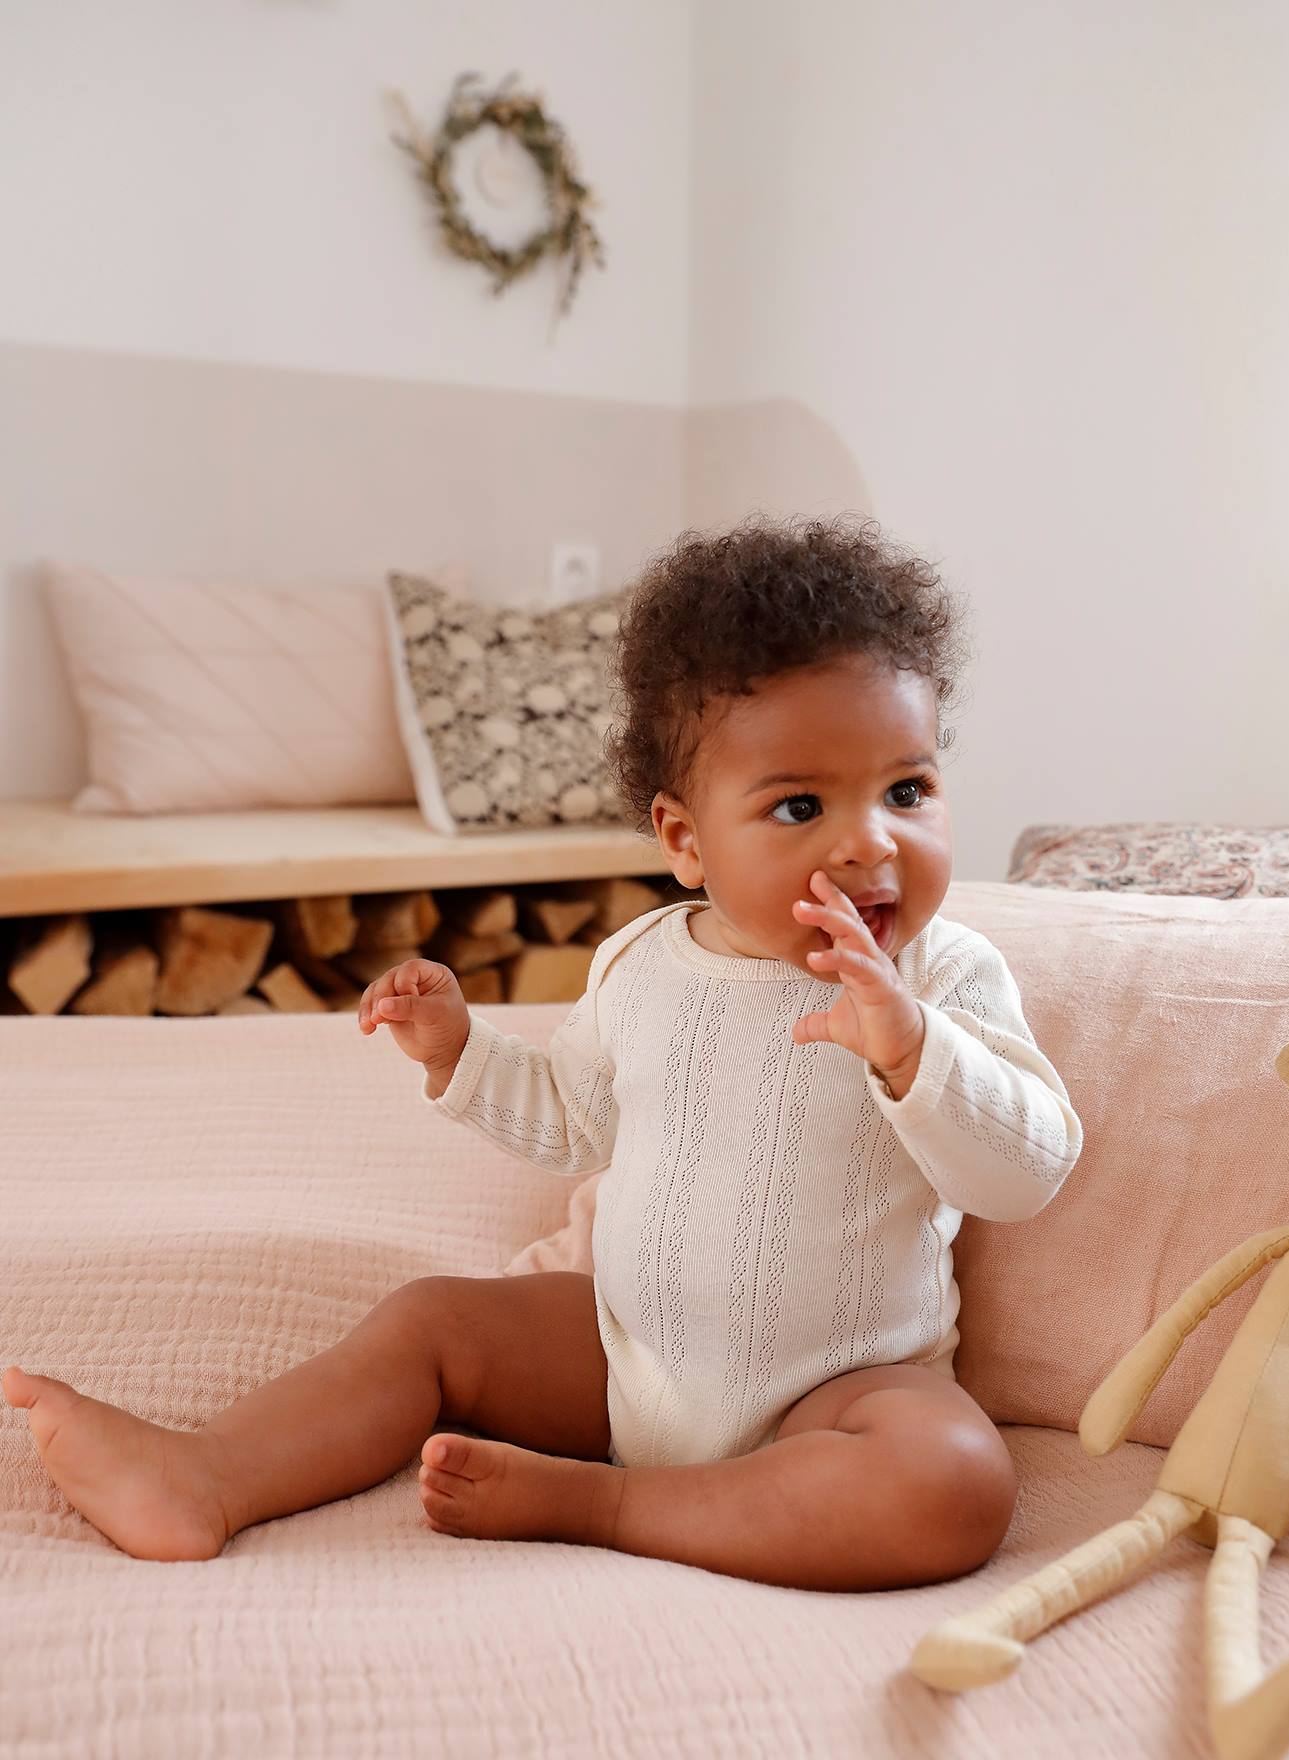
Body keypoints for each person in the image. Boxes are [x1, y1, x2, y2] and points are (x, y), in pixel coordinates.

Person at [3, 516, 1083, 1591]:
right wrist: (463, 1052)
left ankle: (603, 1502)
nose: (871, 842)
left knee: (954, 1480)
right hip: (630, 1355)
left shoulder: (944, 974)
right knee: (434, 1320)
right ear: (683, 839)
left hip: (846, 1389)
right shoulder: (643, 965)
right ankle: (207, 1472)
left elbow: (1026, 1169)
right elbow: (573, 1118)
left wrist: (911, 1051)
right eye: (800, 805)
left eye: (908, 789)